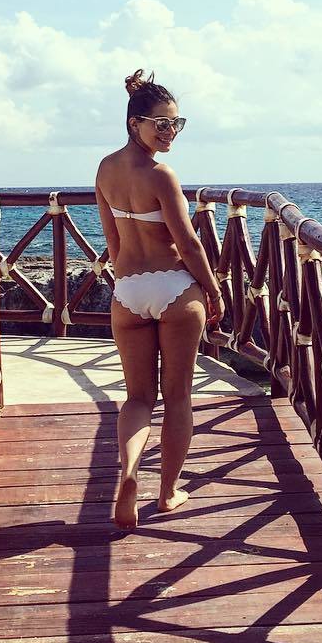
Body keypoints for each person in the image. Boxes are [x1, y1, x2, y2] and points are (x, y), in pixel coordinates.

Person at [95, 70, 223, 530]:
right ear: (135, 123)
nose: (170, 132)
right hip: (174, 288)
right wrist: (213, 289)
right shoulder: (161, 174)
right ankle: (168, 493)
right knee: (178, 396)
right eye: (162, 124)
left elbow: (112, 239)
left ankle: (129, 473)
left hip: (129, 291)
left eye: (176, 124)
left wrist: (126, 283)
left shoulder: (105, 168)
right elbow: (188, 243)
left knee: (137, 398)